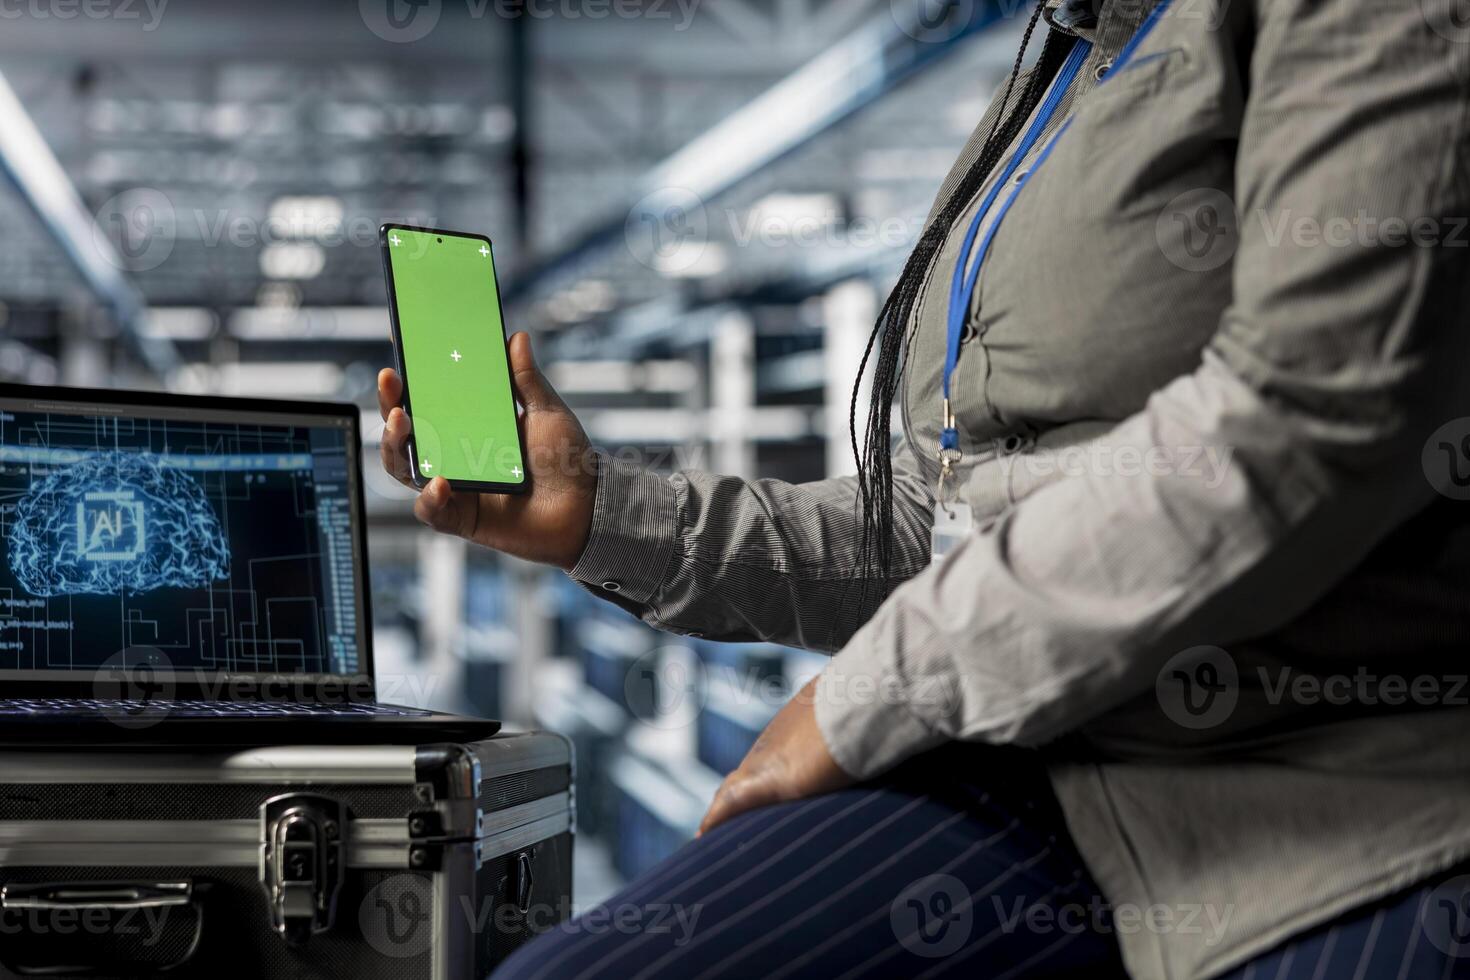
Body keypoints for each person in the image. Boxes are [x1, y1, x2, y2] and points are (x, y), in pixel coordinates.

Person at [377, 0, 1470, 975]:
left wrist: (872, 695)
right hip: (1042, 753)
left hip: (1314, 788)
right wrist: (609, 516)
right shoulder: (1062, 70)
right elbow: (936, 522)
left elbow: (1305, 418)